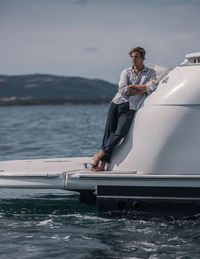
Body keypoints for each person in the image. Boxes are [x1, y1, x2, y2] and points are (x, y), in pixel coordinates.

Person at [92, 47, 157, 172]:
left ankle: (99, 155)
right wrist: (140, 88)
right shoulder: (125, 72)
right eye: (132, 57)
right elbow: (122, 89)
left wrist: (132, 87)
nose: (133, 59)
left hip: (131, 107)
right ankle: (102, 165)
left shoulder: (150, 73)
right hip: (116, 103)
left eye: (136, 57)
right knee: (109, 133)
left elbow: (151, 87)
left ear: (143, 58)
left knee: (119, 133)